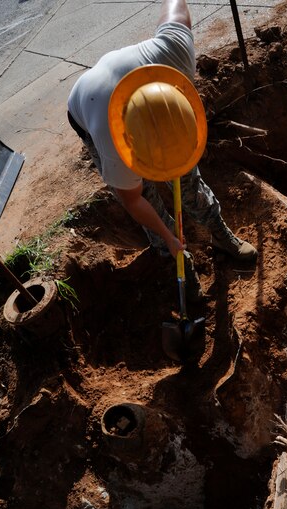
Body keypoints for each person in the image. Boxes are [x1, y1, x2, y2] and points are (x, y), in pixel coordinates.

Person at [67, 0, 257, 301]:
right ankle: (177, 259)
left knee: (188, 182)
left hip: (134, 83)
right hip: (88, 106)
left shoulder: (175, 52)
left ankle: (220, 235)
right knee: (149, 201)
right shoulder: (114, 144)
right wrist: (170, 238)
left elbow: (176, 6)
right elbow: (133, 200)